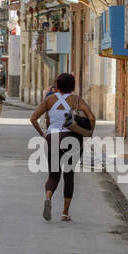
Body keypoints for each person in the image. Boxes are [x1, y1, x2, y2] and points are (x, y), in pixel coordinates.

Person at [29, 72, 95, 222]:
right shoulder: (76, 100)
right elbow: (91, 117)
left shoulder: (49, 100)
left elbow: (33, 118)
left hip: (53, 137)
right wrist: (89, 132)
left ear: (57, 85)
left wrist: (43, 135)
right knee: (68, 175)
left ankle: (48, 198)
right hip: (72, 138)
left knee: (53, 175)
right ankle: (65, 213)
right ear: (72, 86)